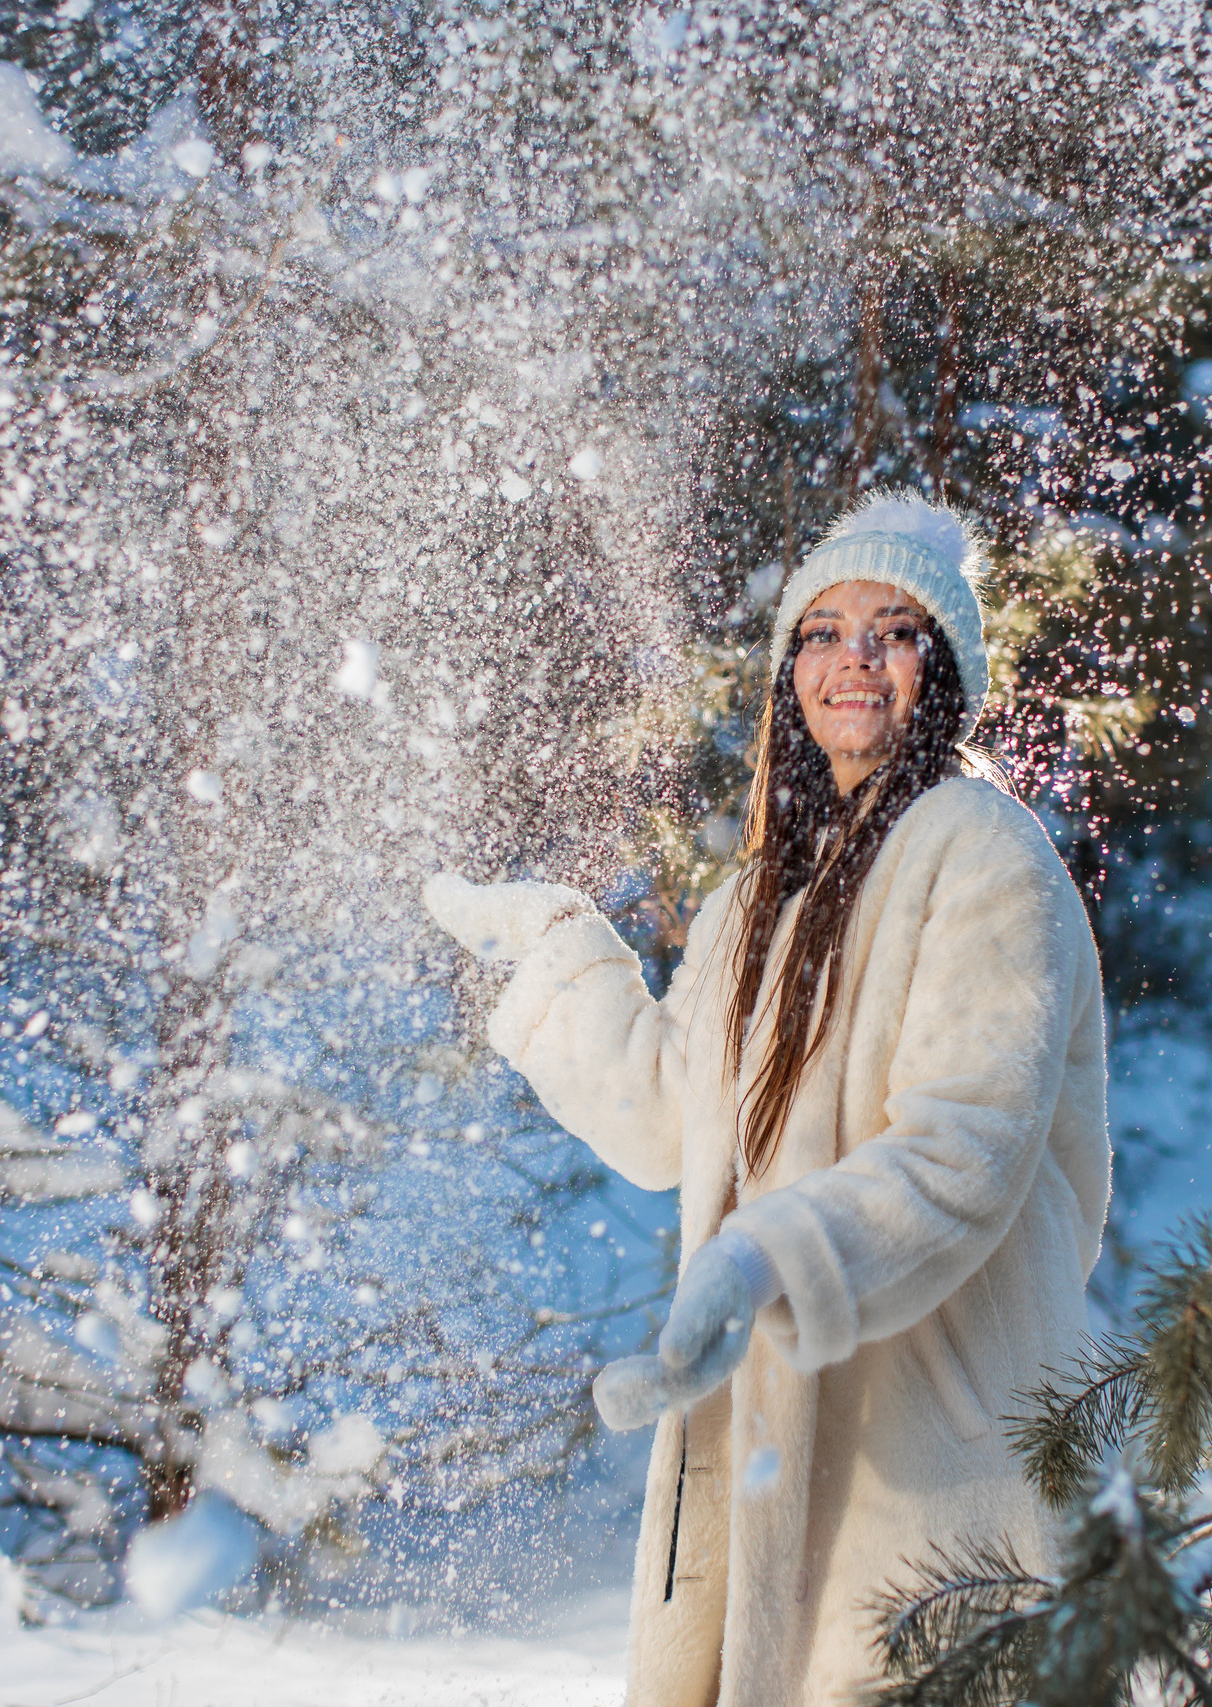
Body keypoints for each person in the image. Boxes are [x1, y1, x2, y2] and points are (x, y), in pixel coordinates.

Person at [423, 493, 1110, 1706]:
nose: (852, 658)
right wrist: (557, 946)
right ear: (790, 670)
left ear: (938, 670)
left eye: (891, 630)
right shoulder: (764, 896)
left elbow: (962, 1155)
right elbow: (659, 1115)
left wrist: (758, 1264)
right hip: (761, 1454)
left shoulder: (986, 855)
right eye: (822, 631)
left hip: (935, 1455)